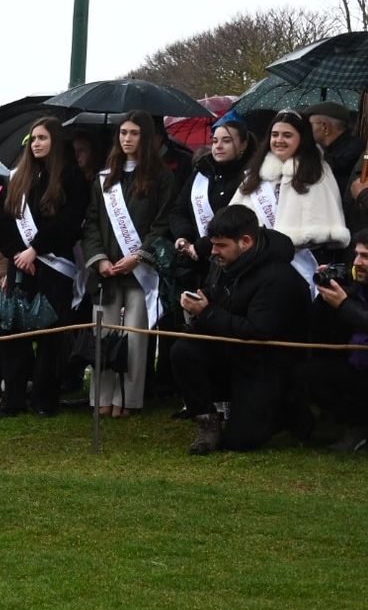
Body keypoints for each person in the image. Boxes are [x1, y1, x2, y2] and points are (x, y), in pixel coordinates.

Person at [174, 204, 311, 453]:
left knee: (240, 442)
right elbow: (226, 303)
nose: (213, 252)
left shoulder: (277, 277)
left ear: (245, 241)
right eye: (213, 245)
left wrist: (207, 312)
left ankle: (288, 410)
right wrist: (205, 302)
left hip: (269, 365)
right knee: (184, 350)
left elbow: (257, 332)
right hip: (237, 354)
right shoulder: (230, 264)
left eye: (221, 245)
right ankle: (207, 421)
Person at [0, 116, 90, 418]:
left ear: (56, 142)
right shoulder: (18, 178)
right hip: (21, 267)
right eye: (33, 139)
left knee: (51, 337)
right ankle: (13, 398)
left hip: (54, 267)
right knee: (13, 334)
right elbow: (2, 220)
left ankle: (45, 399)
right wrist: (17, 254)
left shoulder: (71, 177)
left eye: (42, 138)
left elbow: (70, 222)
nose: (36, 144)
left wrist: (36, 249)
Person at [82, 111, 176, 418]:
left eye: (134, 133)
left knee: (134, 338)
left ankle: (128, 400)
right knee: (104, 335)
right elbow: (91, 222)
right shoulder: (105, 177)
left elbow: (162, 223)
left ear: (146, 137)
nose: (127, 139)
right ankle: (101, 398)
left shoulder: (162, 177)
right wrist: (99, 259)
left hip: (140, 272)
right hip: (107, 272)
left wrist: (139, 256)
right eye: (123, 133)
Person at [228, 109, 350, 285]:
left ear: (302, 138)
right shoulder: (256, 173)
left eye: (287, 135)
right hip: (255, 266)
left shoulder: (318, 173)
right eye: (275, 135)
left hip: (301, 268)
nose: (279, 140)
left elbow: (324, 230)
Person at [301, 228, 368, 451]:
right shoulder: (358, 283)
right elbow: (317, 326)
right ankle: (358, 424)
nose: (357, 262)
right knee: (308, 375)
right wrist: (325, 295)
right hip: (356, 363)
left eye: (365, 256)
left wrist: (344, 305)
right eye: (356, 255)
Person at [172, 119, 253, 288]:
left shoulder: (250, 177)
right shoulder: (201, 173)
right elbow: (179, 210)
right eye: (215, 141)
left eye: (226, 141)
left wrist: (202, 246)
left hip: (234, 266)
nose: (218, 146)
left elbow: (239, 223)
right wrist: (183, 238)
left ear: (243, 144)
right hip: (196, 264)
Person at [304, 101, 366, 211]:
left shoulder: (354, 150)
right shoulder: (329, 150)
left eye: (308, 125)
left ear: (325, 127)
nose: (305, 130)